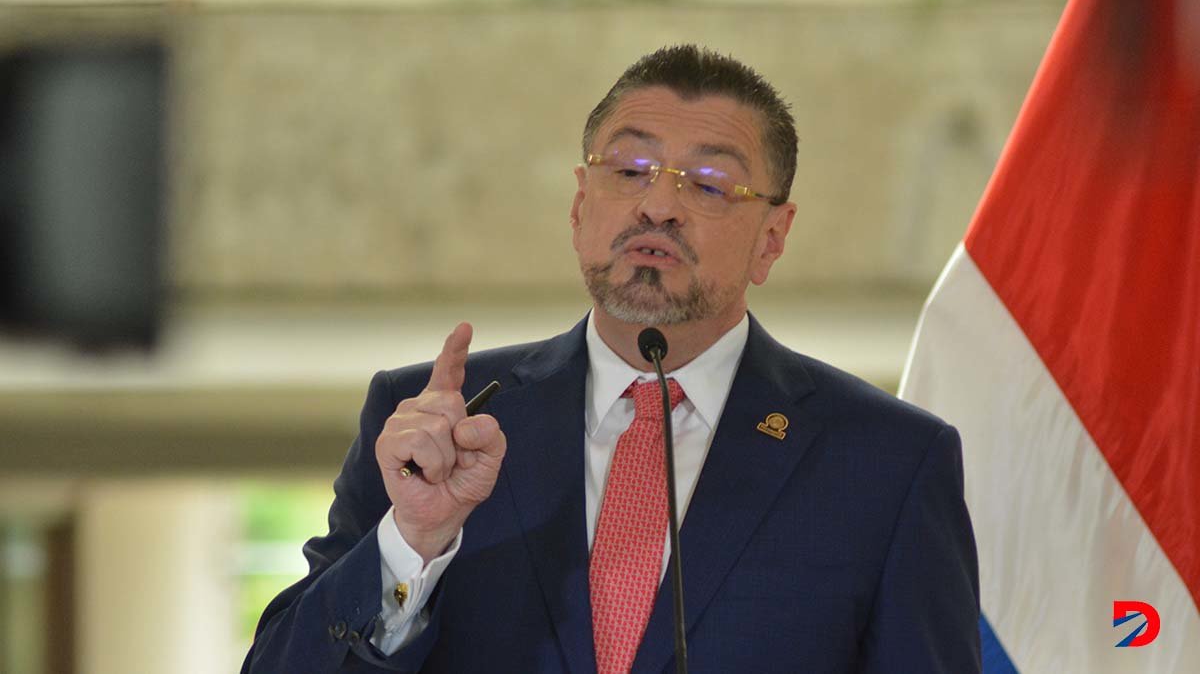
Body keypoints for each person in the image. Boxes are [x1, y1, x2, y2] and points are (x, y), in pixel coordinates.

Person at [242, 44, 980, 673]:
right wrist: (411, 542)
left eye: (711, 184)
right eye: (629, 169)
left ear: (773, 238)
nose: (658, 206)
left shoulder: (886, 462)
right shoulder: (439, 429)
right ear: (578, 205)